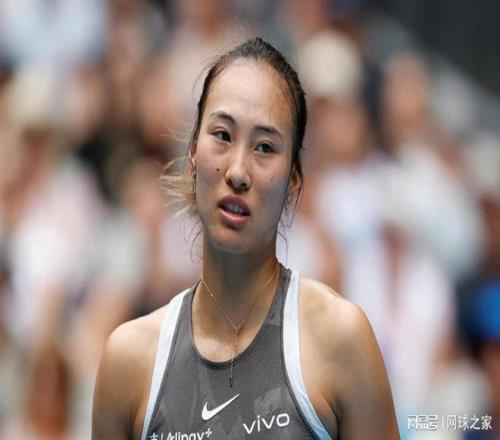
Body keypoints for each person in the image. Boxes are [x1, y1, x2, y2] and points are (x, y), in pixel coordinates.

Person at [92, 37, 400, 439]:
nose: (238, 172)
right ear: (193, 154)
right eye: (222, 135)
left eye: (265, 147)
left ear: (293, 183)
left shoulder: (342, 340)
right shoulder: (129, 362)